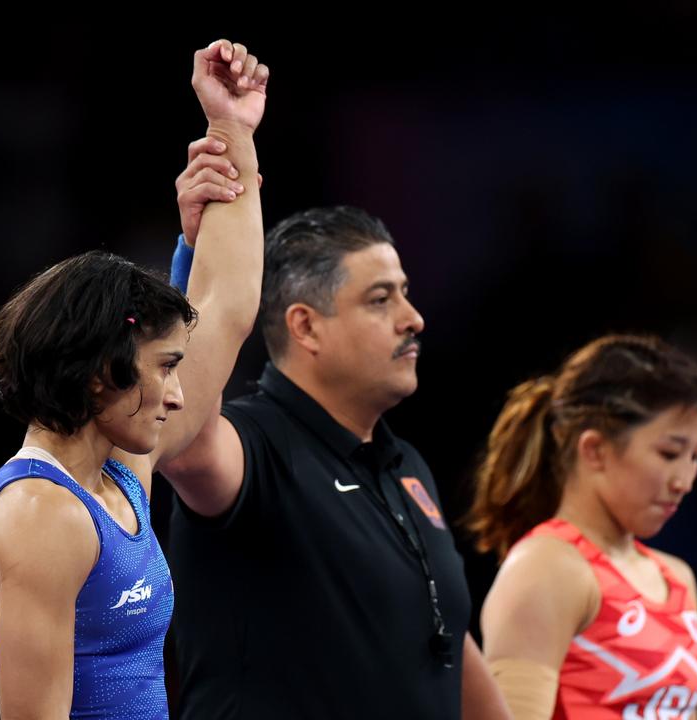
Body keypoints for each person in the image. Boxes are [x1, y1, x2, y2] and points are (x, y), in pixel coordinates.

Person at [0, 39, 269, 719]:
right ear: (103, 373)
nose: (180, 393)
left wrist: (233, 131)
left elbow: (230, 308)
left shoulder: (123, 469)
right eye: (164, 368)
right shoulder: (42, 518)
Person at [158, 205, 510, 718]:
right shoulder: (254, 445)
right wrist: (198, 259)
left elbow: (446, 641)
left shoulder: (405, 464)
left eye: (405, 294)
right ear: (306, 327)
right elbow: (183, 440)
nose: (413, 318)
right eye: (380, 299)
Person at [469, 334, 697, 720]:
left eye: (695, 456)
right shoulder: (547, 568)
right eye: (669, 453)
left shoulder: (677, 578)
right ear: (594, 450)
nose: (685, 480)